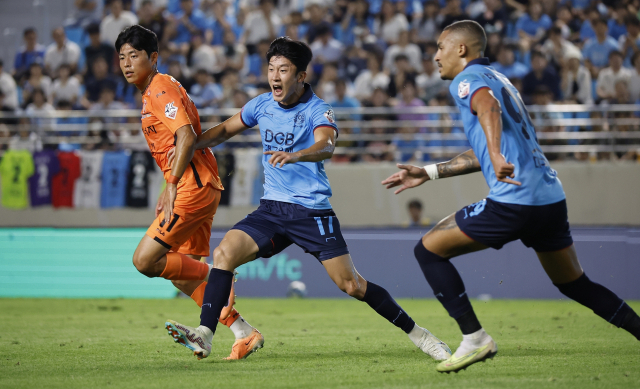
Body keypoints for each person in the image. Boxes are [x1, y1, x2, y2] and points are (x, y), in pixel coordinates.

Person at [164, 37, 452, 361]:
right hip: (271, 210)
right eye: (271, 68)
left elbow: (327, 146)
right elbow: (224, 131)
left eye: (283, 69)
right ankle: (205, 334)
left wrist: (298, 155)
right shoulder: (261, 104)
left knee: (353, 285)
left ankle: (422, 336)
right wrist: (191, 145)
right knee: (224, 253)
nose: (275, 76)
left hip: (311, 212)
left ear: (300, 76)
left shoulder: (319, 109)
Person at [381, 20, 640, 373]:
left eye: (441, 47)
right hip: (549, 197)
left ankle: (474, 338)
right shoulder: (502, 80)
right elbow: (487, 147)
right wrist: (430, 172)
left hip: (516, 199)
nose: (435, 55)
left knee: (427, 249)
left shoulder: (468, 81)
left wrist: (497, 154)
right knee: (575, 284)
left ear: (462, 50)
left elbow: (488, 110)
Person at [116, 25, 263, 361]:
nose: (126, 63)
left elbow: (184, 135)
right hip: (196, 185)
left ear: (153, 58)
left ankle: (219, 274)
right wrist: (169, 182)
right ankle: (243, 332)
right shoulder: (152, 91)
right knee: (182, 275)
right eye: (122, 57)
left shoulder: (160, 87)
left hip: (192, 188)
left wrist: (171, 184)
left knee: (145, 261)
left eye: (134, 56)